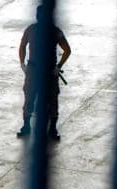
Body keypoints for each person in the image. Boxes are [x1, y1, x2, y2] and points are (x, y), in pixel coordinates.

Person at [17, 4, 72, 140]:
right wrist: (22, 63)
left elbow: (67, 50)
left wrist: (58, 66)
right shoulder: (32, 30)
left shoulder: (53, 31)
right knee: (29, 97)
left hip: (48, 71)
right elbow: (22, 46)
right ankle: (27, 126)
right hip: (34, 69)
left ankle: (52, 128)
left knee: (52, 99)